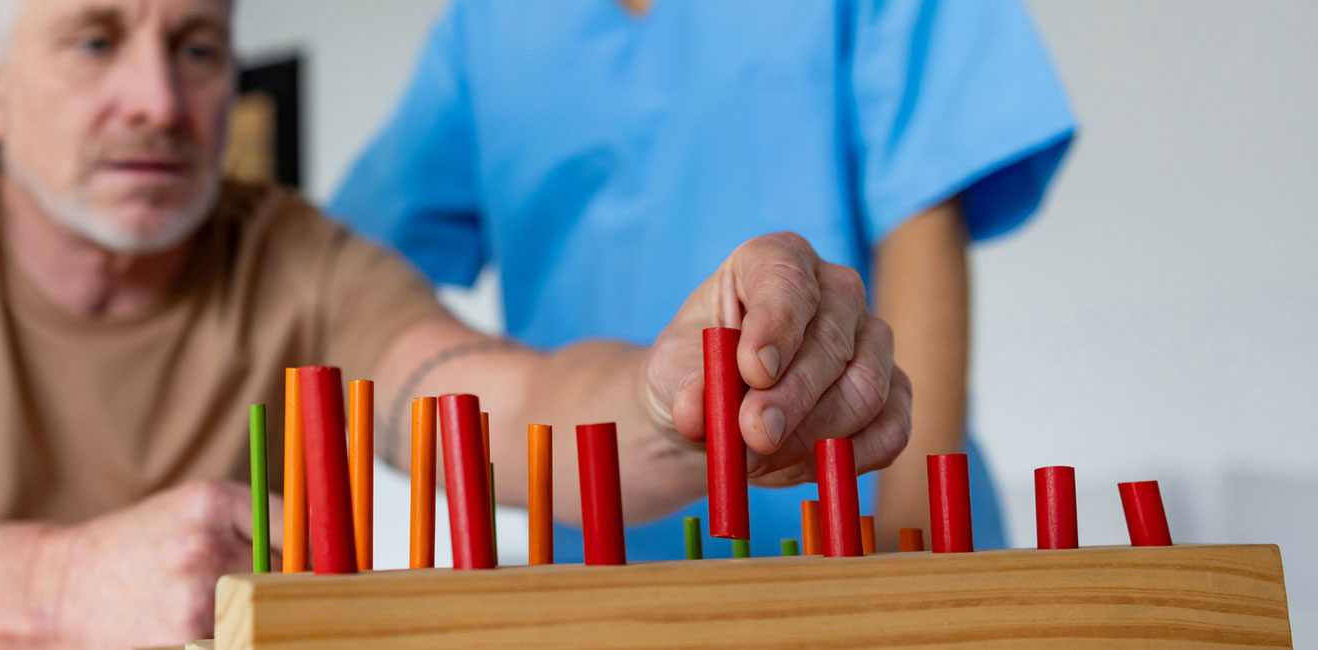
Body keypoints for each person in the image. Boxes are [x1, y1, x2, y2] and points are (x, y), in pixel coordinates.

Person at [0, 0, 911, 647]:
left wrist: (682, 399)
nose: (158, 98)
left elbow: (490, 393)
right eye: (95, 37)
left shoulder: (291, 257)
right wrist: (57, 588)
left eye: (195, 45)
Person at [331, 0, 1075, 559]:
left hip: (864, 539)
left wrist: (913, 563)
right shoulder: (487, 25)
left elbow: (922, 222)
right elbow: (343, 280)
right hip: (610, 560)